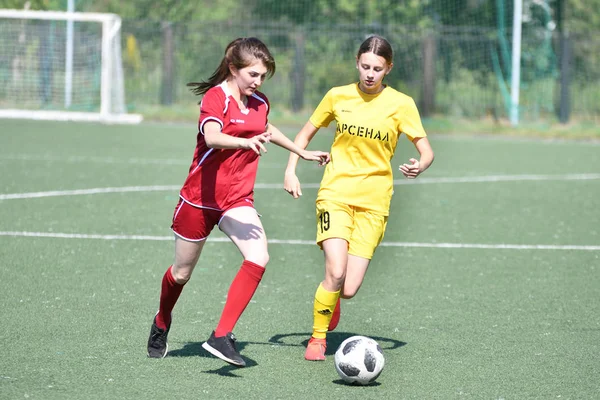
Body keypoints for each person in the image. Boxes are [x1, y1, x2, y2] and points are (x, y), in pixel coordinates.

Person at [147, 37, 329, 367]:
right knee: (181, 273)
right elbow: (212, 136)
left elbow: (266, 127)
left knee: (259, 257)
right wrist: (244, 145)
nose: (258, 82)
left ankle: (221, 335)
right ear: (233, 69)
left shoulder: (259, 101)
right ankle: (161, 320)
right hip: (199, 200)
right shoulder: (215, 98)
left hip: (237, 199)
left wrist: (300, 151)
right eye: (253, 75)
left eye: (263, 76)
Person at [283, 34, 435, 361]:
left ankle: (331, 300)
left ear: (388, 69)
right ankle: (318, 340)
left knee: (348, 289)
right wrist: (291, 168)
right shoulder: (337, 96)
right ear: (357, 62)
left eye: (377, 68)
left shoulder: (401, 104)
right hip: (335, 193)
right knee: (335, 271)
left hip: (375, 202)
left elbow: (426, 150)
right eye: (365, 66)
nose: (369, 73)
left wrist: (419, 165)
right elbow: (305, 134)